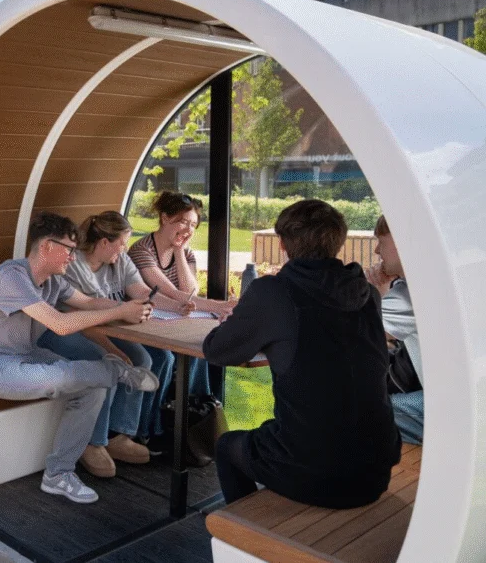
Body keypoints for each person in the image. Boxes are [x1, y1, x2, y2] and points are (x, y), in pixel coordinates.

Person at [203, 199, 400, 508]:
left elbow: (217, 351)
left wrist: (238, 321)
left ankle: (245, 532)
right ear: (337, 242)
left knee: (228, 445)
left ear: (282, 244)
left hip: (314, 469)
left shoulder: (274, 292)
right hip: (376, 465)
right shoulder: (367, 293)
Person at [0, 212, 160, 504]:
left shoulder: (54, 281)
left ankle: (58, 474)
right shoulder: (10, 277)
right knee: (60, 377)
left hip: (24, 357)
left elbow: (90, 302)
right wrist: (119, 312)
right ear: (46, 248)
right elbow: (60, 324)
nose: (72, 256)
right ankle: (119, 373)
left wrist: (130, 306)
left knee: (93, 387)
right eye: (68, 249)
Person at [42, 211, 196, 477]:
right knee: (110, 361)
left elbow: (143, 293)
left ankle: (121, 434)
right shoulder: (74, 266)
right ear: (104, 243)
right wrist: (113, 349)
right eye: (122, 243)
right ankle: (94, 442)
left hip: (104, 326)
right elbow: (81, 318)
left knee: (145, 360)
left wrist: (176, 304)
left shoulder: (120, 261)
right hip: (65, 329)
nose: (126, 249)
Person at [126, 191, 236, 448]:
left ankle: (193, 419)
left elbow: (190, 291)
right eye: (183, 222)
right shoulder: (142, 250)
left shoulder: (185, 253)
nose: (188, 229)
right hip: (145, 322)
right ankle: (151, 428)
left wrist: (178, 252)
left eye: (193, 225)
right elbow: (174, 294)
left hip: (173, 320)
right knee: (166, 356)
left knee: (200, 350)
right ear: (165, 218)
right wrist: (221, 306)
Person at [366, 215, 423, 445]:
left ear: (401, 241)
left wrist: (374, 293)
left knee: (358, 412)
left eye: (381, 241)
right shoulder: (422, 284)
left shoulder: (408, 296)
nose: (377, 250)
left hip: (447, 407)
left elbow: (351, 333)